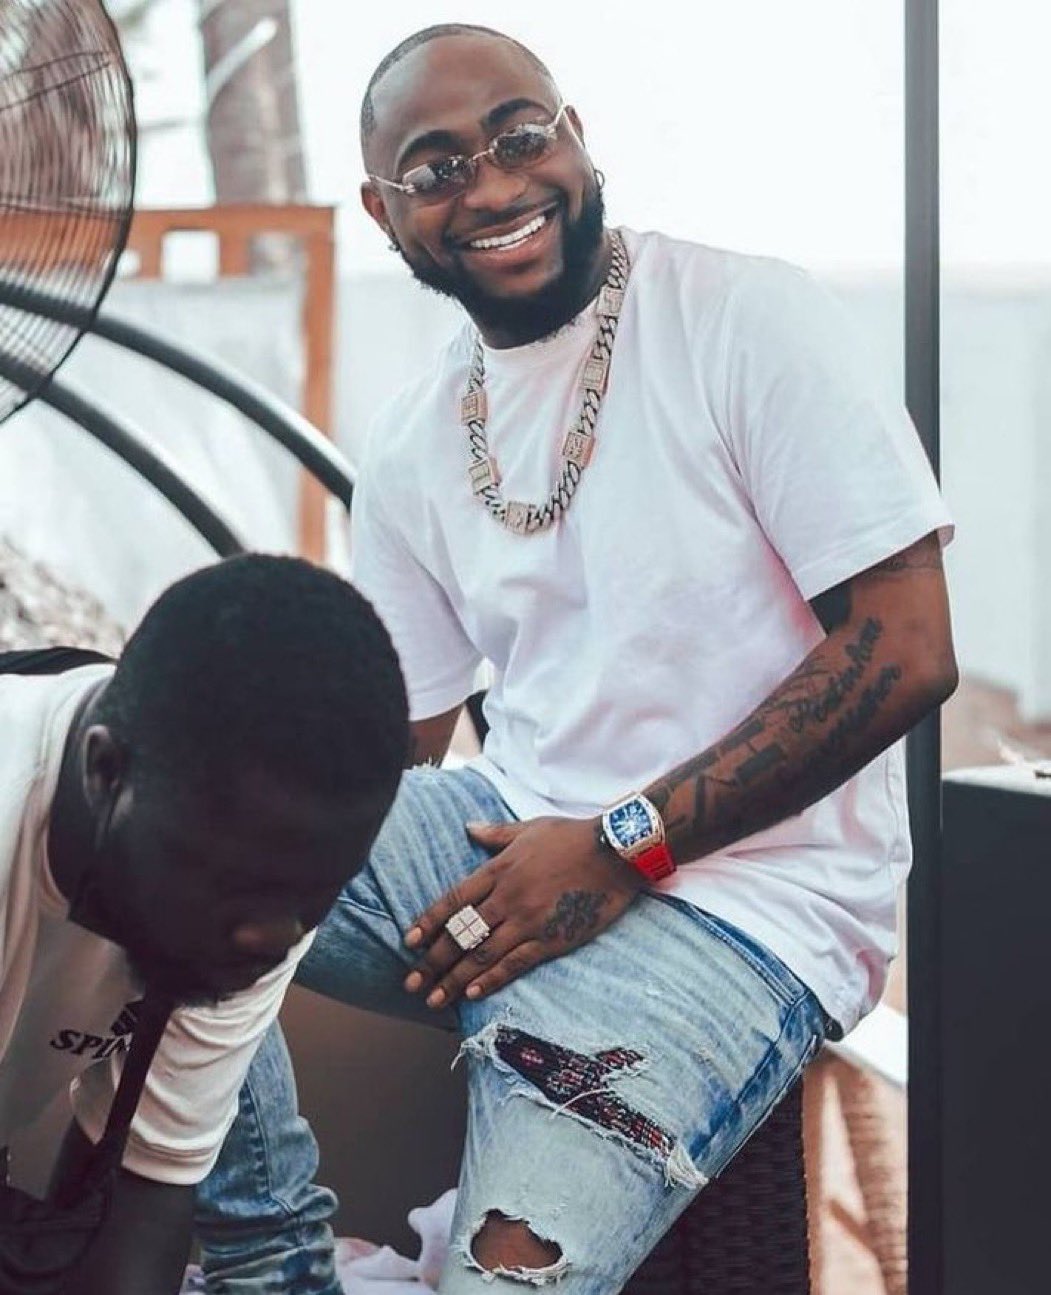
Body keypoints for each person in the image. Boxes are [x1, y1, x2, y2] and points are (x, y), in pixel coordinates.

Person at [197, 23, 957, 1294]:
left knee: (507, 1278)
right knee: (150, 834)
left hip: (745, 911)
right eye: (437, 168)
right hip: (508, 837)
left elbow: (909, 644)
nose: (493, 185)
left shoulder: (740, 318)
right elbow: (393, 754)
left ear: (576, 137)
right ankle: (270, 1259)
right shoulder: (415, 435)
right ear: (385, 212)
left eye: (518, 136)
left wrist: (616, 847)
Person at [0, 554, 407, 1295]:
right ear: (104, 772)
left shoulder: (262, 885)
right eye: (236, 884)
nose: (271, 939)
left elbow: (142, 1205)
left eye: (314, 893)